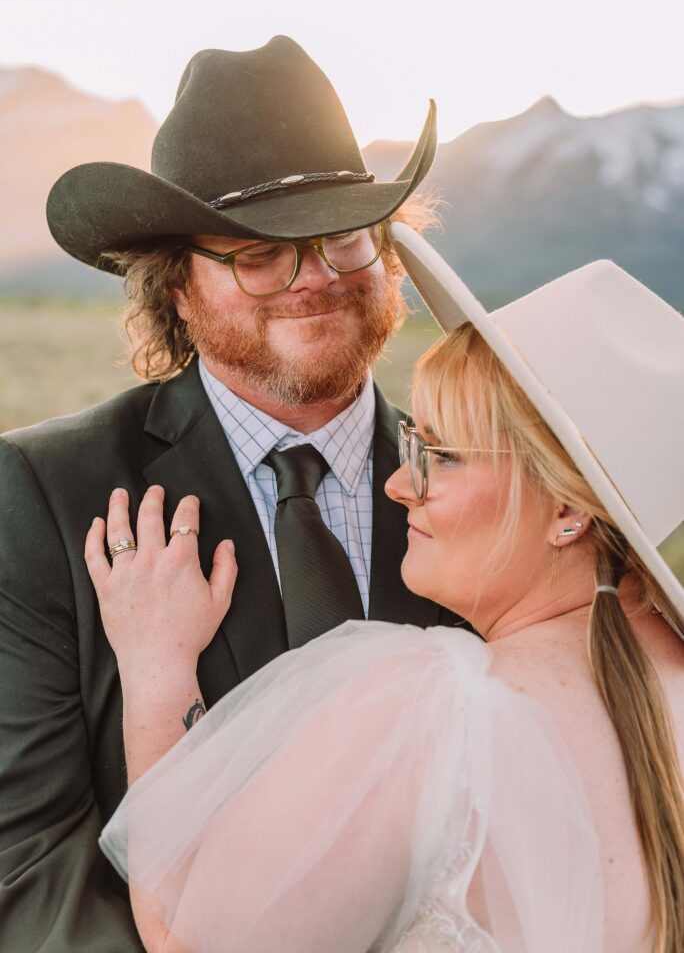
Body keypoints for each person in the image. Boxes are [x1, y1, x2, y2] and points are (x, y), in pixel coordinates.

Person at [88, 231, 684, 952]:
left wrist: (157, 668)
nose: (399, 485)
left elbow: (189, 936)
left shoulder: (437, 704)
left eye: (443, 457)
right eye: (411, 445)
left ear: (568, 511)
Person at [0, 39, 452, 952]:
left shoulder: (481, 492)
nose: (314, 277)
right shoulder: (43, 494)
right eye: (256, 255)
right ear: (176, 282)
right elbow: (28, 859)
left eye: (342, 236)